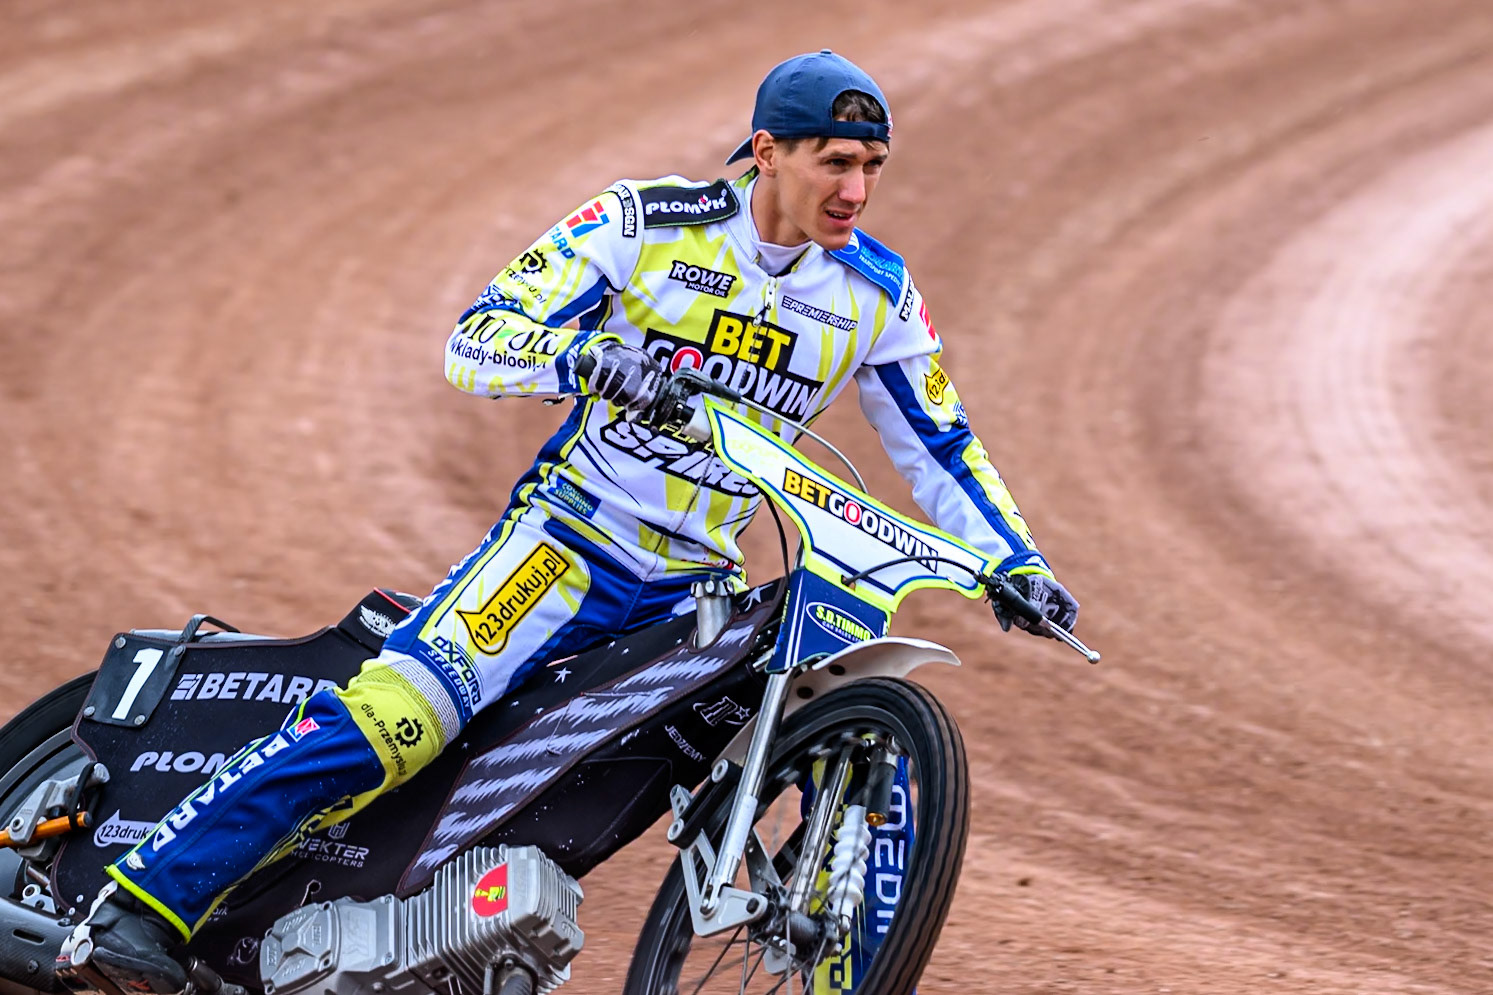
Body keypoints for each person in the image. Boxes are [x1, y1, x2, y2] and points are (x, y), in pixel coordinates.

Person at [77, 49, 1079, 991]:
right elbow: (476, 340)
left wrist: (1014, 561)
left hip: (688, 587)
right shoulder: (646, 222)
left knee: (754, 707)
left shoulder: (876, 293)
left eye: (871, 166)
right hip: (560, 550)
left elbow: (939, 444)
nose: (854, 190)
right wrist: (584, 360)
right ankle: (143, 902)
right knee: (403, 715)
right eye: (834, 162)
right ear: (767, 151)